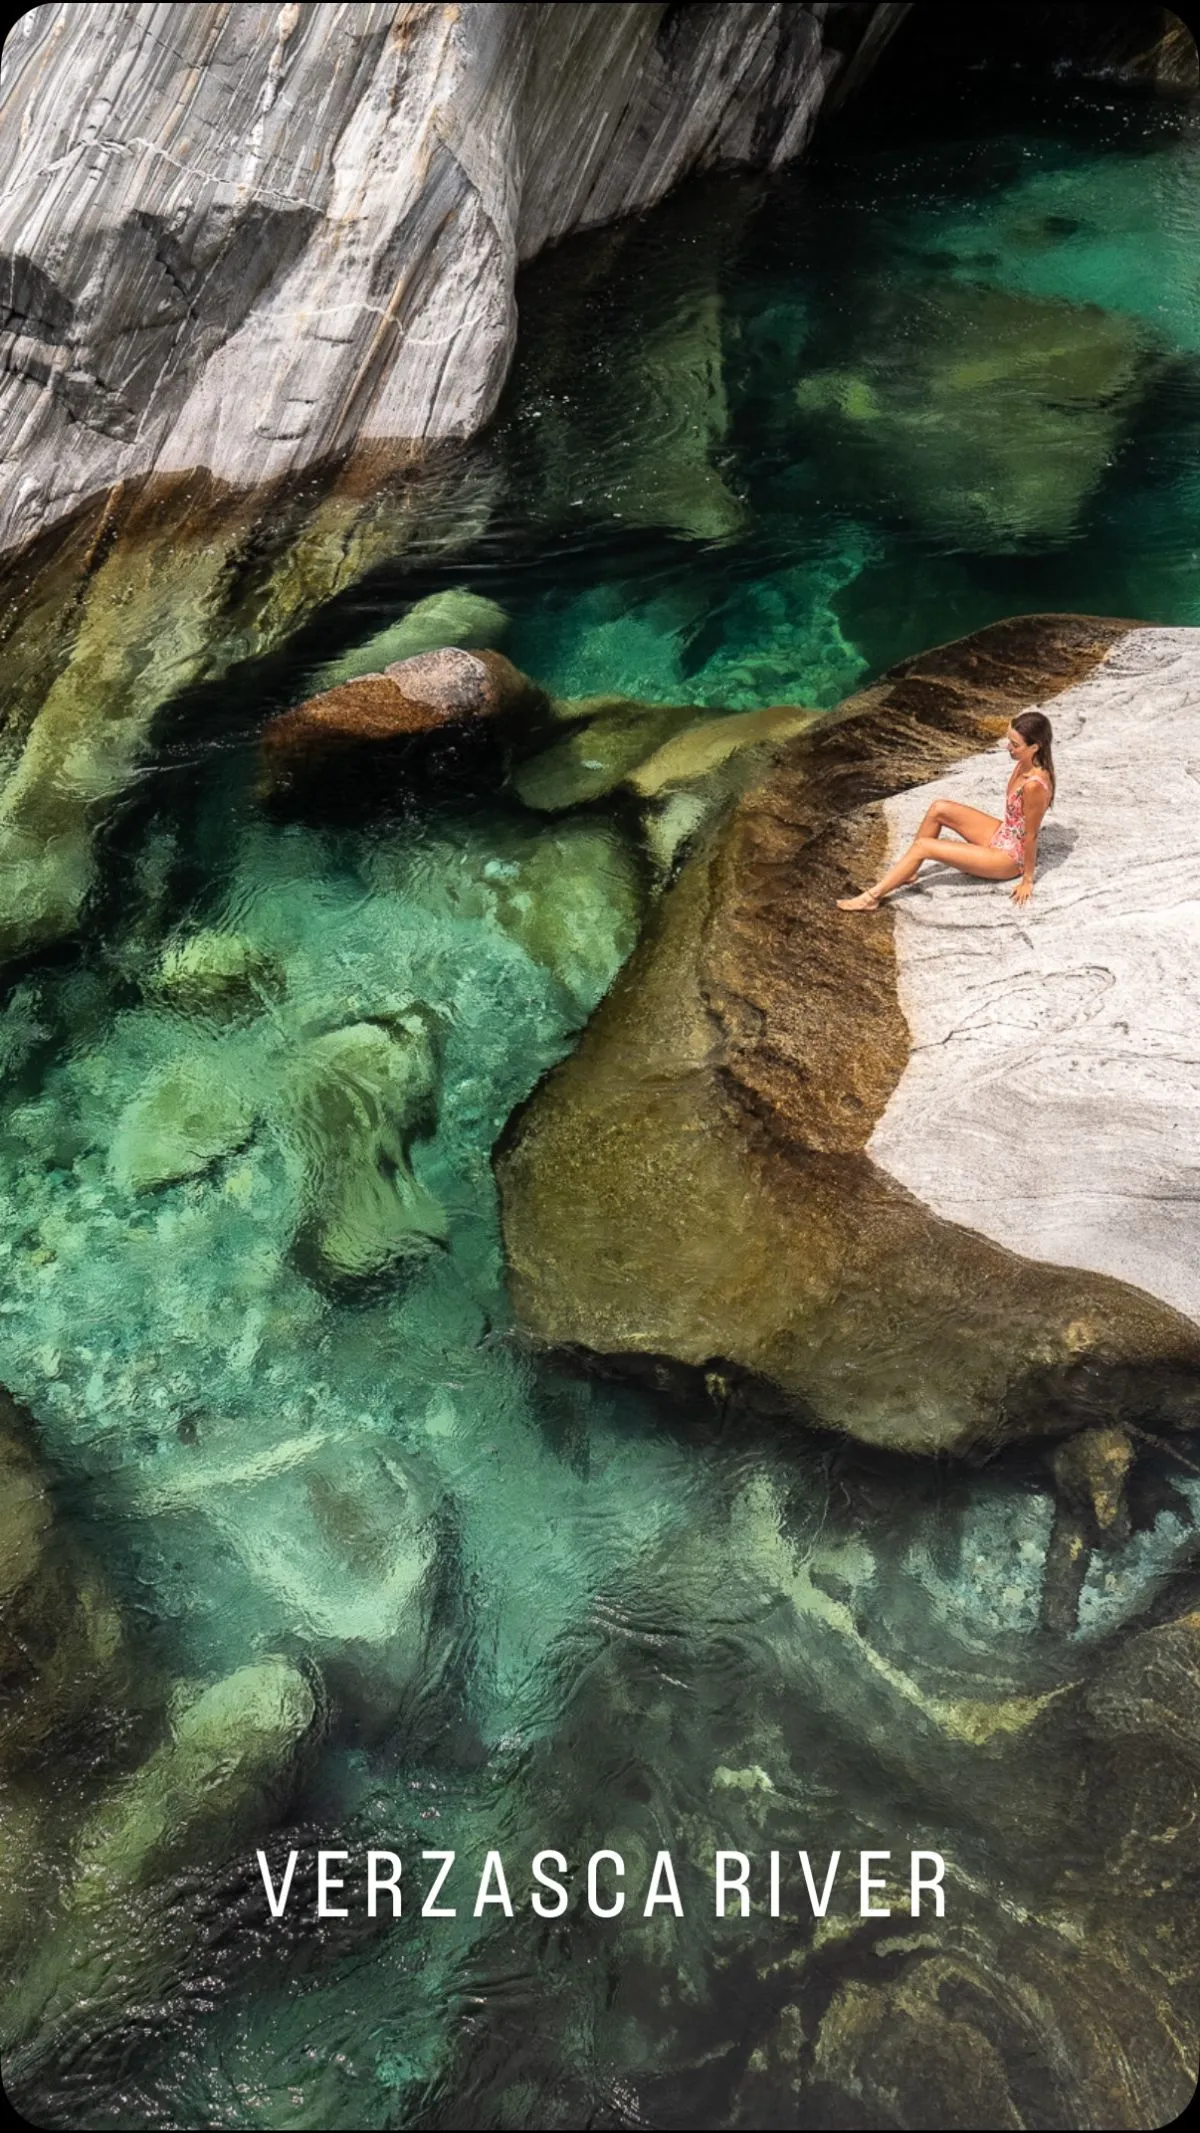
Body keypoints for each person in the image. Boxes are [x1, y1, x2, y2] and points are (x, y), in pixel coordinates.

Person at [835, 710, 1055, 912]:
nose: (1008, 747)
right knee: (939, 808)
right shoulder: (1024, 762)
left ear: (1034, 747)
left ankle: (872, 898)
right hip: (1003, 834)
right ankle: (909, 871)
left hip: (1010, 859)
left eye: (1015, 744)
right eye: (1009, 741)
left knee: (923, 846)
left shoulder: (1034, 785)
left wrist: (1027, 880)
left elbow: (1031, 835)